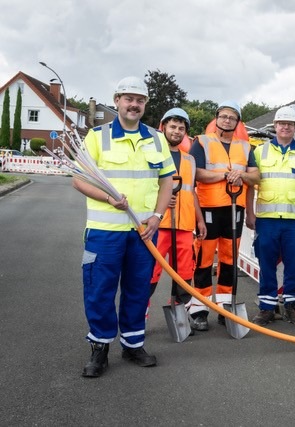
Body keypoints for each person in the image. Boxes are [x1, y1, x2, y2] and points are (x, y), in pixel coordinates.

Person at [72, 76, 176, 377]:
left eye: (140, 100)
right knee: (99, 290)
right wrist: (108, 197)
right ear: (117, 100)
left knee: (137, 290)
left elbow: (167, 180)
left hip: (142, 232)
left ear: (145, 104)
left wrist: (157, 217)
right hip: (104, 232)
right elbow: (78, 180)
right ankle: (100, 347)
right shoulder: (97, 136)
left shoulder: (156, 139)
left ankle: (132, 344)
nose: (134, 104)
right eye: (129, 98)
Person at [189, 101, 260, 331]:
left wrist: (243, 176)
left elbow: (255, 177)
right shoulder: (201, 142)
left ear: (238, 122)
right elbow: (196, 173)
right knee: (204, 258)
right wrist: (226, 175)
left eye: (232, 117)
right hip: (209, 209)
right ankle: (199, 307)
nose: (227, 120)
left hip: (234, 208)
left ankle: (225, 304)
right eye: (224, 116)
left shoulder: (246, 147)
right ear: (216, 118)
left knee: (230, 259)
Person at [249, 106, 295, 328]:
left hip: (294, 221)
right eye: (282, 123)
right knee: (267, 264)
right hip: (266, 219)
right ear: (275, 126)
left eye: (290, 124)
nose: (285, 127)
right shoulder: (259, 152)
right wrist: (249, 213)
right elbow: (250, 184)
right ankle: (267, 308)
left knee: (293, 265)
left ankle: (293, 306)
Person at [148, 108, 206, 308]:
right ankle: (140, 316)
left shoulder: (190, 160)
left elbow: (191, 192)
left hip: (184, 227)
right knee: (150, 271)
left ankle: (178, 312)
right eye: (173, 126)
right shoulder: (152, 154)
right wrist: (161, 200)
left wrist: (199, 220)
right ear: (163, 127)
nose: (176, 131)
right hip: (158, 225)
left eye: (181, 128)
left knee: (184, 273)